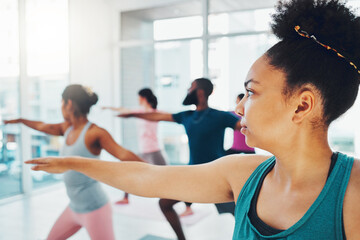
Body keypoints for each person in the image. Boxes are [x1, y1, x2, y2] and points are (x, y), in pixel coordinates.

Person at [26, 0, 360, 239]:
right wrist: (74, 162)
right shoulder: (243, 173)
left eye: (252, 92)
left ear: (302, 106)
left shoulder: (353, 194)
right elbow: (145, 178)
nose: (240, 107)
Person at [5, 84, 144, 240]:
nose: (60, 107)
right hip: (74, 208)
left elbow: (123, 154)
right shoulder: (67, 128)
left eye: (61, 102)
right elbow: (42, 126)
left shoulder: (94, 133)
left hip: (95, 209)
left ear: (68, 103)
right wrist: (20, 120)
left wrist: (158, 172)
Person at [117, 78, 241, 240]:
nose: (188, 90)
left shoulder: (219, 116)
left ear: (201, 93)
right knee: (165, 204)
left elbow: (245, 125)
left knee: (241, 213)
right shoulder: (187, 116)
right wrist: (133, 114)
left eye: (191, 87)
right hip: (193, 175)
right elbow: (158, 116)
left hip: (216, 177)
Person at [103, 88, 167, 205]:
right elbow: (124, 110)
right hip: (143, 150)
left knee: (168, 176)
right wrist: (108, 108)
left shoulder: (156, 113)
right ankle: (126, 198)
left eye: (138, 97)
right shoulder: (139, 112)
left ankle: (184, 203)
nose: (137, 100)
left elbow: (170, 116)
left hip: (154, 150)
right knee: (128, 171)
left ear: (143, 98)